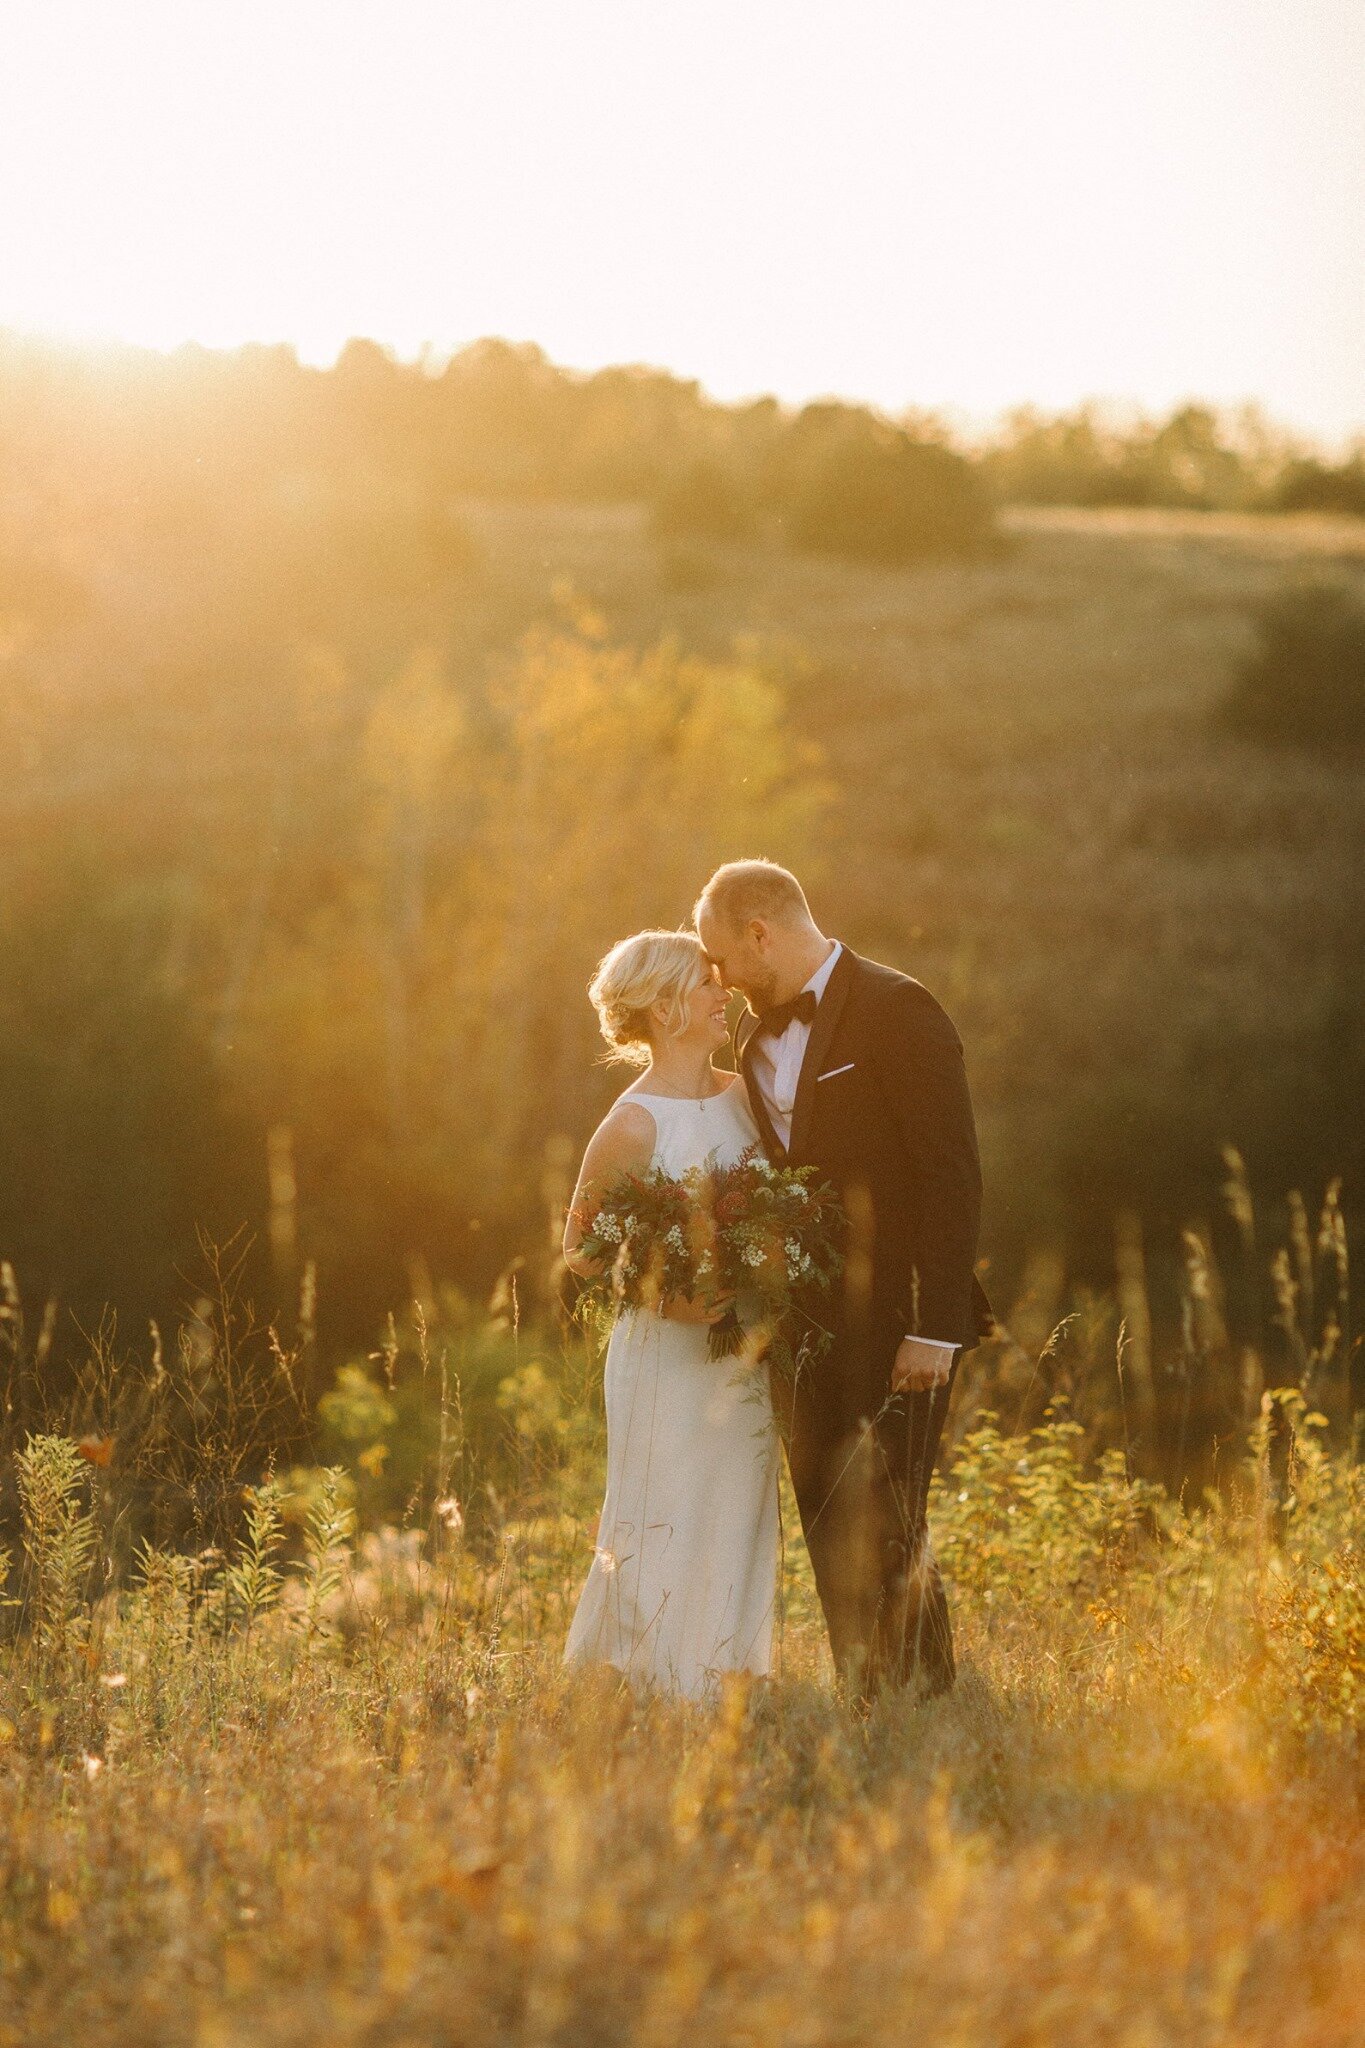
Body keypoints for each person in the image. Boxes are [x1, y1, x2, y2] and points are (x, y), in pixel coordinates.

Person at [694, 860, 993, 1703]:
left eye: (721, 958)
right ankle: (868, 1696)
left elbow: (950, 1175)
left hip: (902, 1313)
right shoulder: (753, 1036)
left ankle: (927, 1699)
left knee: (893, 1512)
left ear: (761, 934)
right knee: (827, 1511)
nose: (716, 978)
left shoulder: (900, 1009)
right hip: (801, 1324)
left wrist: (936, 1327)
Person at [562, 929, 781, 1699]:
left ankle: (728, 1677)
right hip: (665, 1353)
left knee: (738, 1507)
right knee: (663, 1507)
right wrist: (668, 1292)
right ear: (663, 1007)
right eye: (705, 984)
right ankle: (649, 1683)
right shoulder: (630, 1125)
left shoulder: (747, 1097)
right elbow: (581, 1253)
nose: (724, 994)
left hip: (743, 1347)